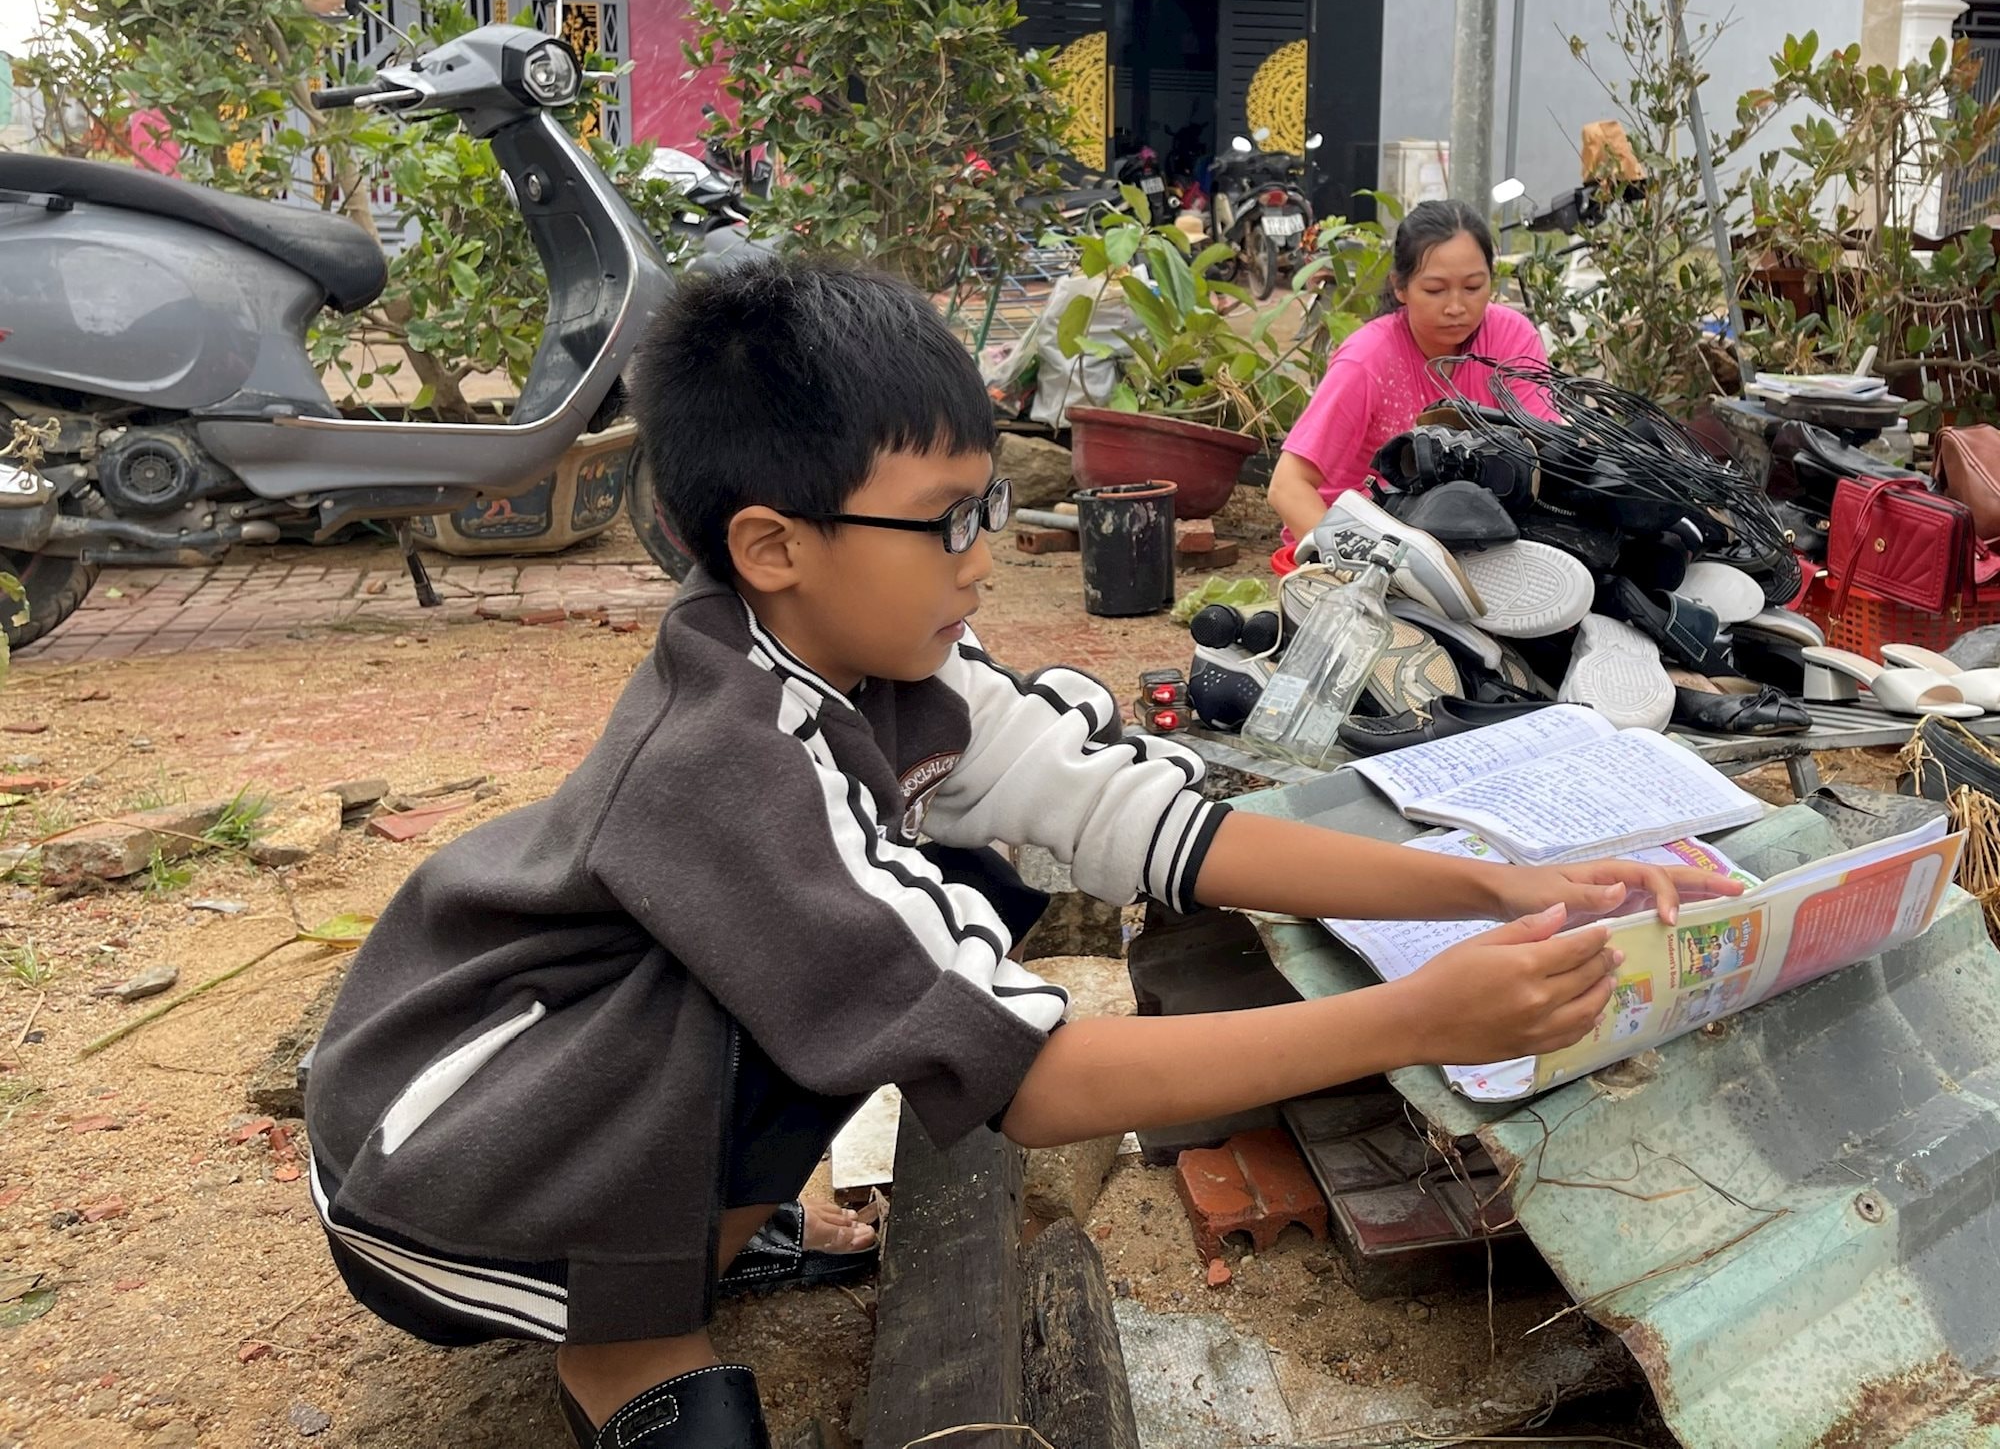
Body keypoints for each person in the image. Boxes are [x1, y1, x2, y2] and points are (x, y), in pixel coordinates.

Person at [303, 256, 1734, 1449]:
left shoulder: (889, 665)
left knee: (978, 875)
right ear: (773, 545)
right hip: (448, 1166)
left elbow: (1144, 824)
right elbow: (1035, 1083)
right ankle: (627, 1332)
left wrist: (1494, 877)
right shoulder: (728, 761)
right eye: (944, 523)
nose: (983, 556)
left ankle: (716, 1217)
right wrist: (1416, 1016)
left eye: (985, 505)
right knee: (892, 946)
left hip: (561, 1068)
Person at [1269, 200, 1548, 543]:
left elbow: (1546, 453)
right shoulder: (1367, 360)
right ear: (1400, 287)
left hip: (1469, 539)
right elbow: (1287, 486)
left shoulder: (1513, 338)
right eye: (1435, 290)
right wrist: (1353, 556)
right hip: (1357, 544)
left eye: (1473, 287)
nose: (1456, 307)